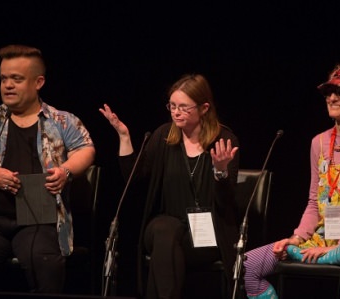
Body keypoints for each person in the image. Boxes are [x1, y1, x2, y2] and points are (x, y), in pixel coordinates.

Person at [242, 61, 340, 299]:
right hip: (323, 237)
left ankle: (324, 252)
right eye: (329, 92)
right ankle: (308, 251)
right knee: (247, 265)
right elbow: (315, 202)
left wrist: (339, 245)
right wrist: (297, 237)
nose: (332, 98)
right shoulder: (319, 142)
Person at [0, 44, 95, 298]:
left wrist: (65, 171)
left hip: (39, 219)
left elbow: (85, 149)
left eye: (16, 79)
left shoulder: (62, 120)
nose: (8, 85)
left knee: (45, 265)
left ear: (38, 82)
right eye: (4, 79)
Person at [99, 73, 240, 299]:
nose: (176, 112)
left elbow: (226, 203)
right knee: (165, 229)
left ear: (204, 108)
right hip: (164, 226)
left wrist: (220, 171)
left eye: (184, 107)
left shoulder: (224, 140)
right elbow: (135, 182)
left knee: (165, 251)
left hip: (205, 234)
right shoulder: (164, 136)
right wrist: (124, 137)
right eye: (172, 106)